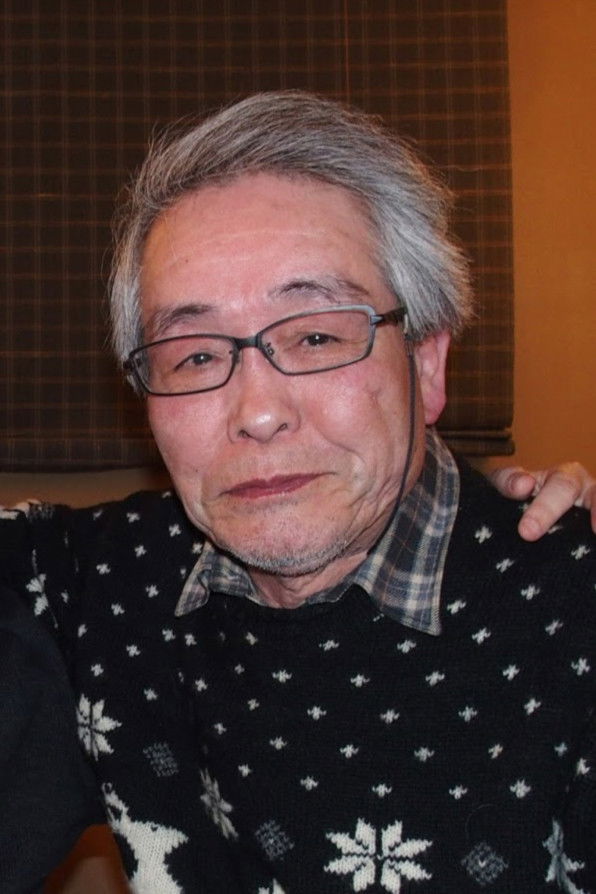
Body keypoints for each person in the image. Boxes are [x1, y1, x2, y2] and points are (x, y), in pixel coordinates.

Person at [2, 91, 595, 892]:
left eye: (316, 336)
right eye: (195, 356)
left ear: (426, 363)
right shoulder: (96, 586)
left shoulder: (572, 610)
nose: (258, 412)